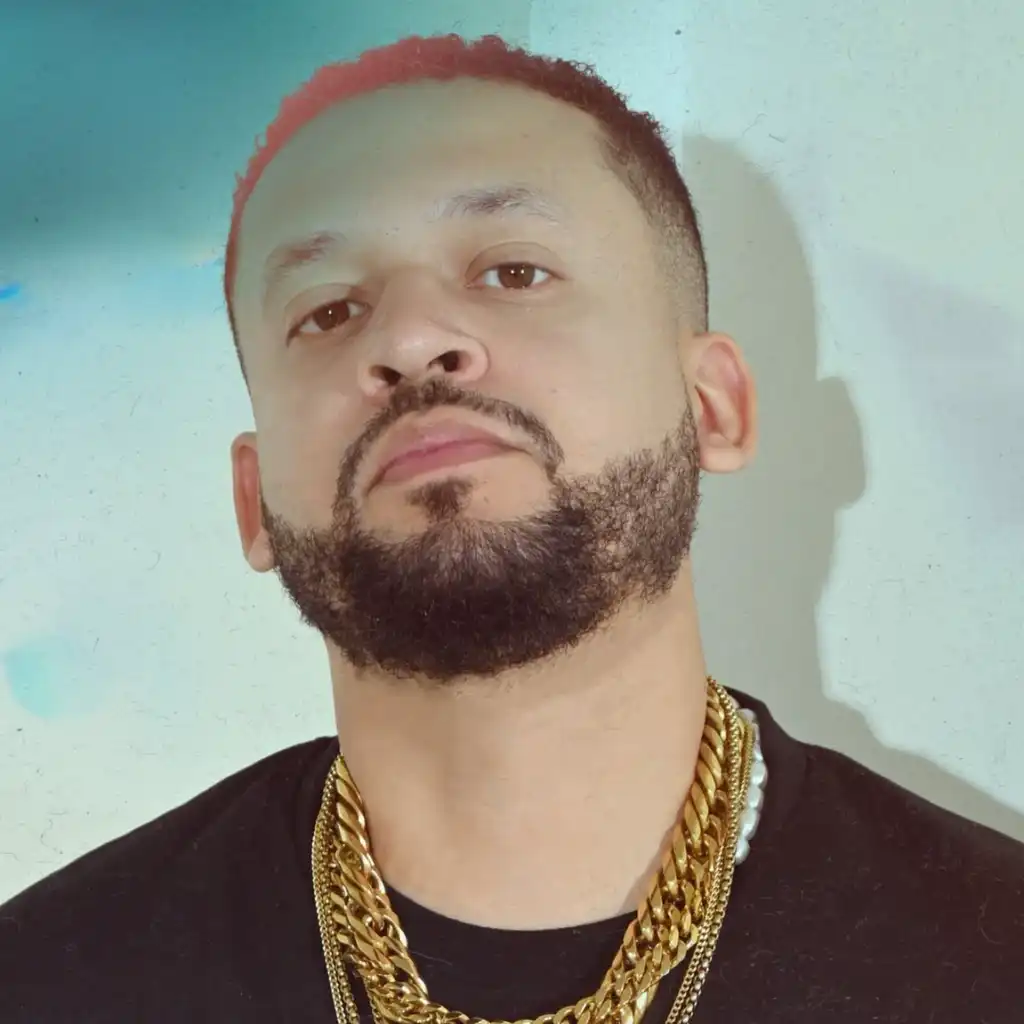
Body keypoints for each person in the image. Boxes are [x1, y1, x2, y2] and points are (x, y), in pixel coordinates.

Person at [1, 32, 1021, 1024]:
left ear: (712, 407)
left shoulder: (990, 959)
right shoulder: (46, 983)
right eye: (328, 310)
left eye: (513, 271)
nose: (409, 337)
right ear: (253, 499)